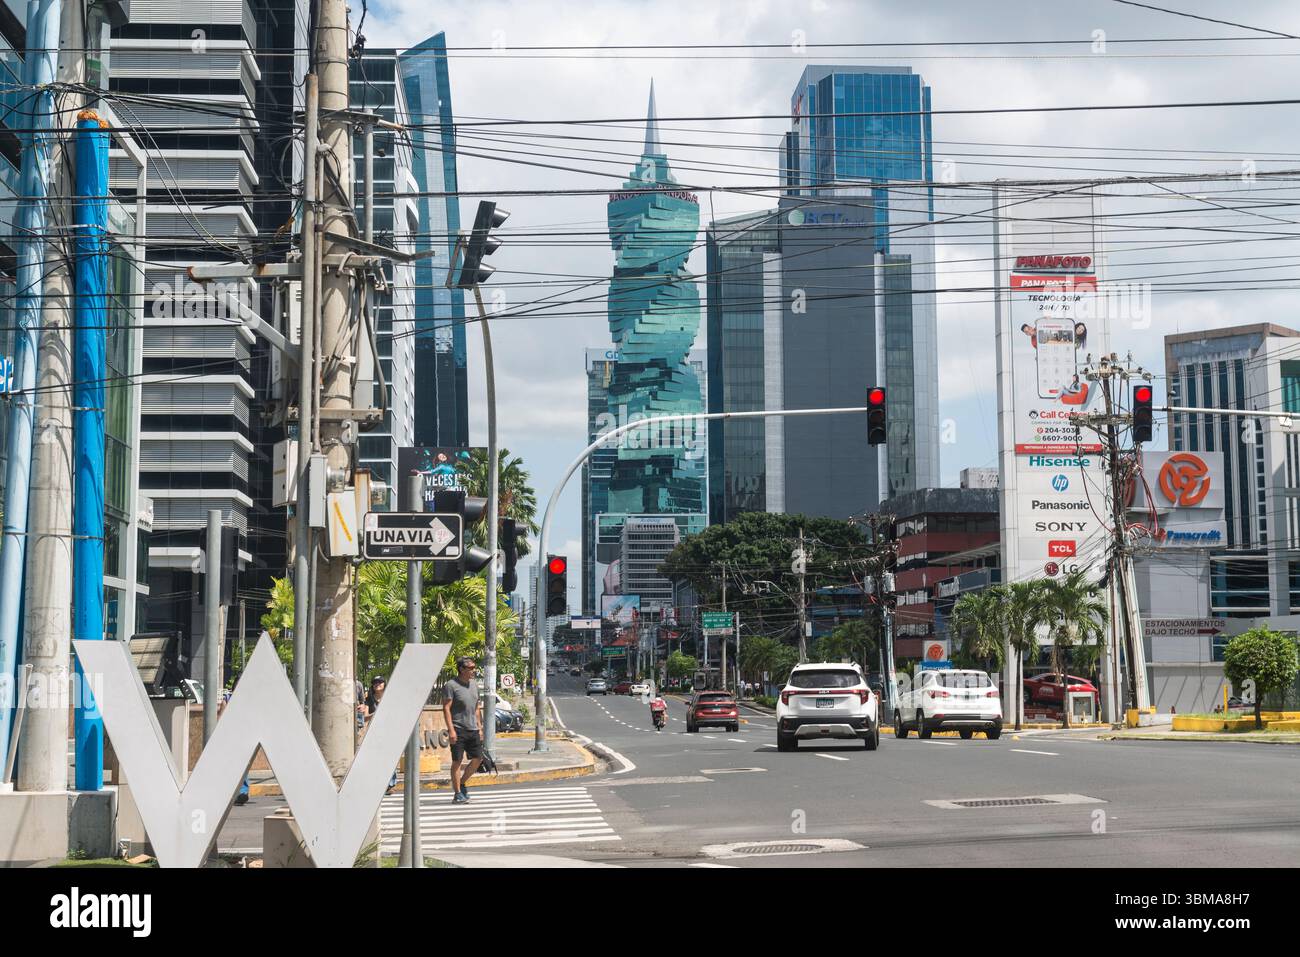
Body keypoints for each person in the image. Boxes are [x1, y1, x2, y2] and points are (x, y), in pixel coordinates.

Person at [442, 657, 485, 805]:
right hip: (458, 728)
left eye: (474, 667)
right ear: (462, 669)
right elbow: (446, 708)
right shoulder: (451, 685)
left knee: (478, 759)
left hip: (473, 728)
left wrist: (480, 727)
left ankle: (462, 782)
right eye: (471, 668)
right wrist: (451, 730)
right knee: (457, 761)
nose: (474, 670)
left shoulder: (474, 685)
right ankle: (458, 793)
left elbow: (477, 707)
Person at [364, 676, 398, 794]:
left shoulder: (390, 698)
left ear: (384, 684)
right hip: (374, 733)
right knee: (375, 759)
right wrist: (376, 713)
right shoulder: (369, 700)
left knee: (390, 758)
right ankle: (378, 783)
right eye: (375, 683)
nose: (377, 684)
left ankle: (390, 785)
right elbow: (365, 717)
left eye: (380, 682)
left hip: (388, 731)